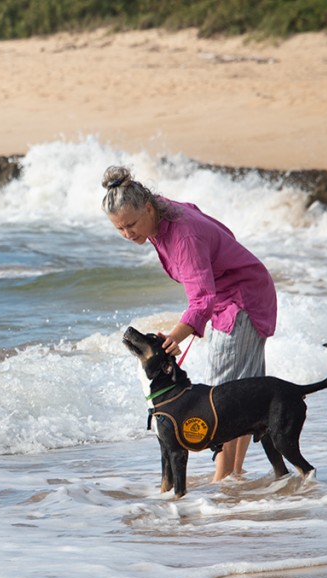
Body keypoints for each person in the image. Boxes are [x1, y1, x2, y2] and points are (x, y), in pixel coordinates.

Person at [101, 165, 277, 481]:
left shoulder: (183, 235)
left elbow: (202, 299)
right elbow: (223, 235)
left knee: (224, 398)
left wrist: (177, 336)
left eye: (131, 224)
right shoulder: (162, 213)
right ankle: (234, 476)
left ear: (148, 208)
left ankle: (223, 481)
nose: (127, 234)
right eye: (119, 229)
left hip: (240, 301)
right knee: (244, 391)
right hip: (245, 290)